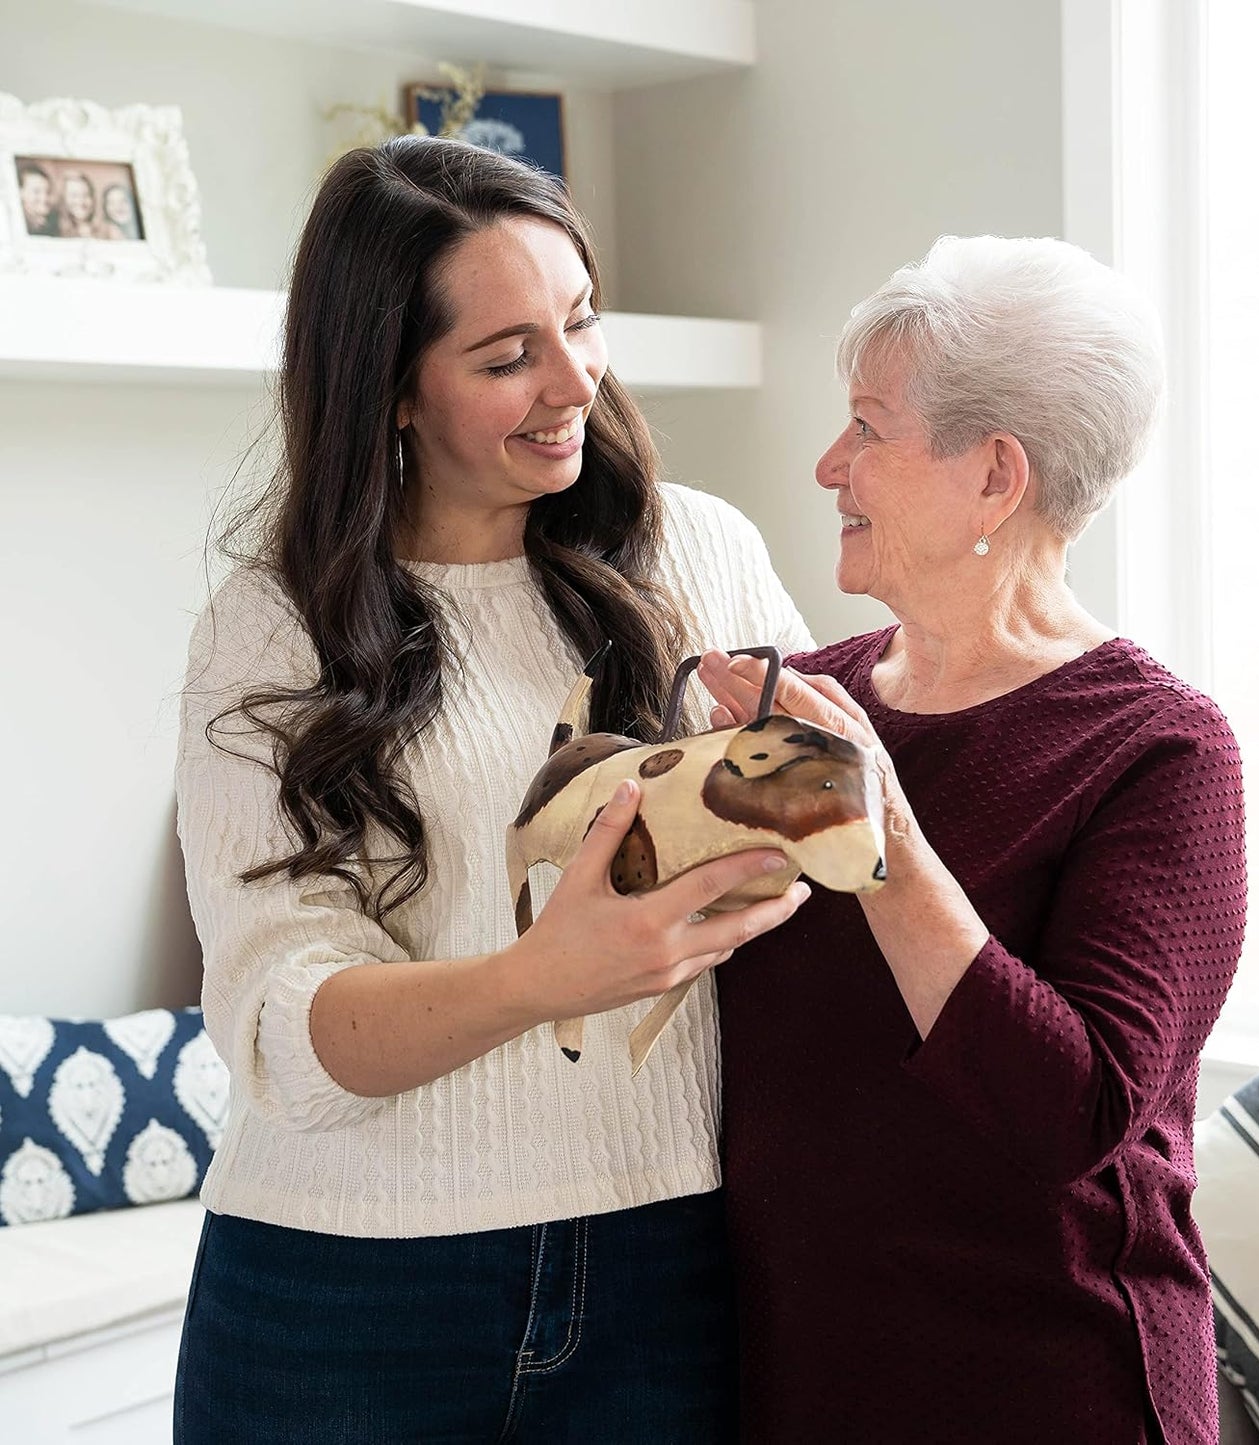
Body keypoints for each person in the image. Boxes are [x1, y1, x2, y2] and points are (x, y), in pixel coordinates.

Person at [172, 135, 812, 1443]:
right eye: (506, 355)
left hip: (664, 1258)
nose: (575, 381)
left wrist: (799, 808)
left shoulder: (703, 552)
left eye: (580, 322)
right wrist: (540, 976)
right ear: (390, 387)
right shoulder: (273, 625)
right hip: (343, 1285)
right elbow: (277, 1025)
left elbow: (821, 829)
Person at [702, 235, 1248, 1445]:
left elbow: (1073, 1110)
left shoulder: (1162, 751)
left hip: (1051, 1387)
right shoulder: (814, 700)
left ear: (994, 477)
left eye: (867, 428)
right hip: (798, 1376)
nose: (826, 464)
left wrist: (876, 827)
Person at [57, 170, 105, 239]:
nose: (80, 201)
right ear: (63, 199)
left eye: (86, 195)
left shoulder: (109, 231)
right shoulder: (55, 232)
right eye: (74, 195)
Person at [17, 161, 59, 236]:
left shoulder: (54, 221)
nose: (44, 198)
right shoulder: (17, 225)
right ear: (20, 193)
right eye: (36, 191)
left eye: (48, 191)